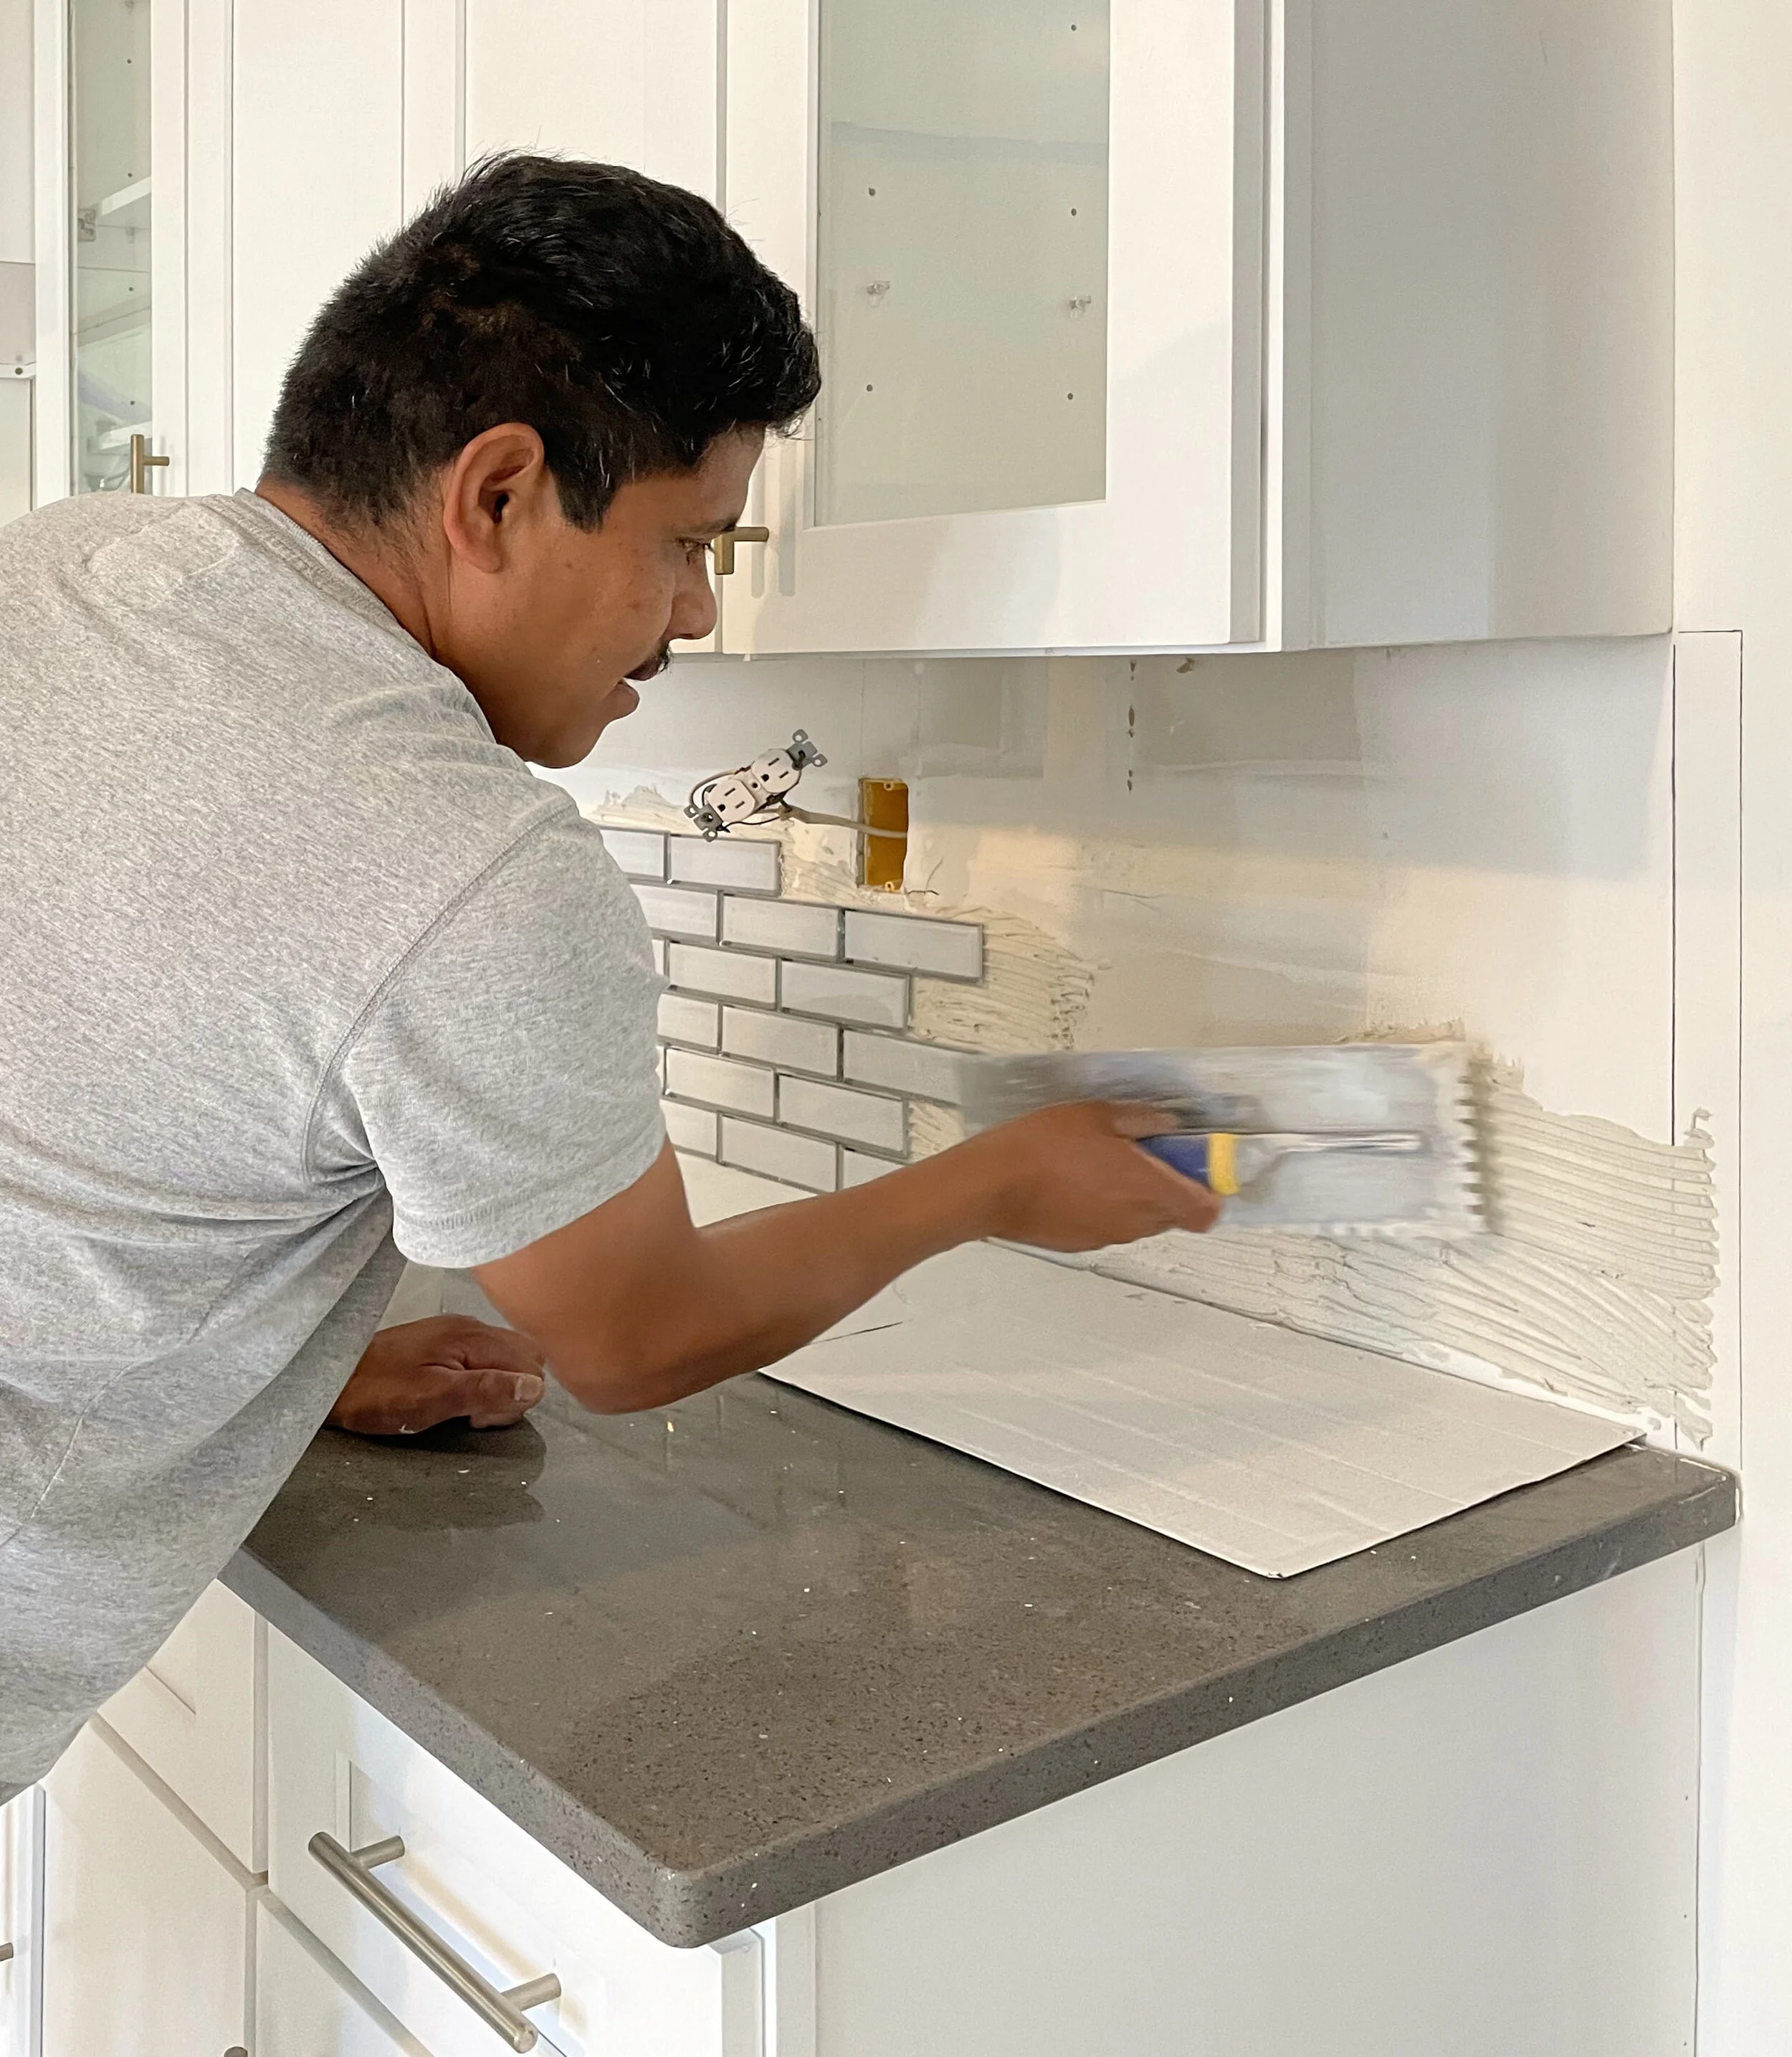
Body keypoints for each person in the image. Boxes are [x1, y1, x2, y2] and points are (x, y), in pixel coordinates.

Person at [0, 154, 1218, 1801]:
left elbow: (86, 1071)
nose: (696, 613)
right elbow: (633, 1339)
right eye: (685, 541)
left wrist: (275, 1354)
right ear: (497, 493)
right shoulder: (465, 868)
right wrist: (996, 1181)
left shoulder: (69, 566)